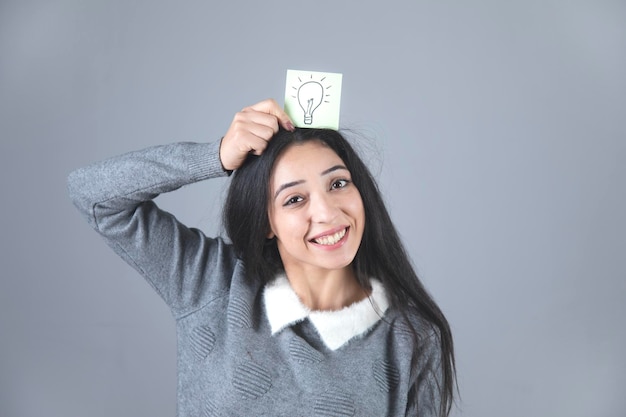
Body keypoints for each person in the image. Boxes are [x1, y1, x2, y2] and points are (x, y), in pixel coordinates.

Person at [67, 99, 456, 416]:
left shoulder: (413, 337)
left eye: (338, 183)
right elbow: (92, 194)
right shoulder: (210, 283)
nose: (327, 213)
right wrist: (216, 156)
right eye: (294, 199)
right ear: (266, 222)